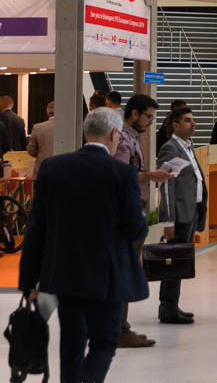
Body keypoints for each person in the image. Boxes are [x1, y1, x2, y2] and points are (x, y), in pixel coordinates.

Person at [19, 107, 148, 383]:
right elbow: (135, 227)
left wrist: (29, 279)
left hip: (63, 273)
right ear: (115, 134)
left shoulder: (54, 168)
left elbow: (36, 228)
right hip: (106, 275)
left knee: (72, 344)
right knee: (104, 341)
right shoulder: (121, 173)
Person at [115, 94, 172, 348]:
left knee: (127, 269)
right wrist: (150, 175)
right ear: (134, 114)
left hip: (133, 208)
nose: (150, 122)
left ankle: (120, 326)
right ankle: (118, 329)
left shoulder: (132, 137)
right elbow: (121, 173)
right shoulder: (123, 138)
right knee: (124, 270)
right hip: (126, 210)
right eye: (148, 116)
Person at [156, 106, 205, 325]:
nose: (192, 123)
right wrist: (168, 221)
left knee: (180, 261)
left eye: (193, 120)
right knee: (174, 262)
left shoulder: (187, 147)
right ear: (175, 125)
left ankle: (172, 305)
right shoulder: (170, 148)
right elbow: (166, 185)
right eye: (187, 120)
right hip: (179, 216)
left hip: (190, 212)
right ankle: (168, 308)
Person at [27, 101, 56, 171]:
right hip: (63, 169)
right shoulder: (69, 128)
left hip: (42, 168)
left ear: (47, 112)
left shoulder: (37, 127)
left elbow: (31, 150)